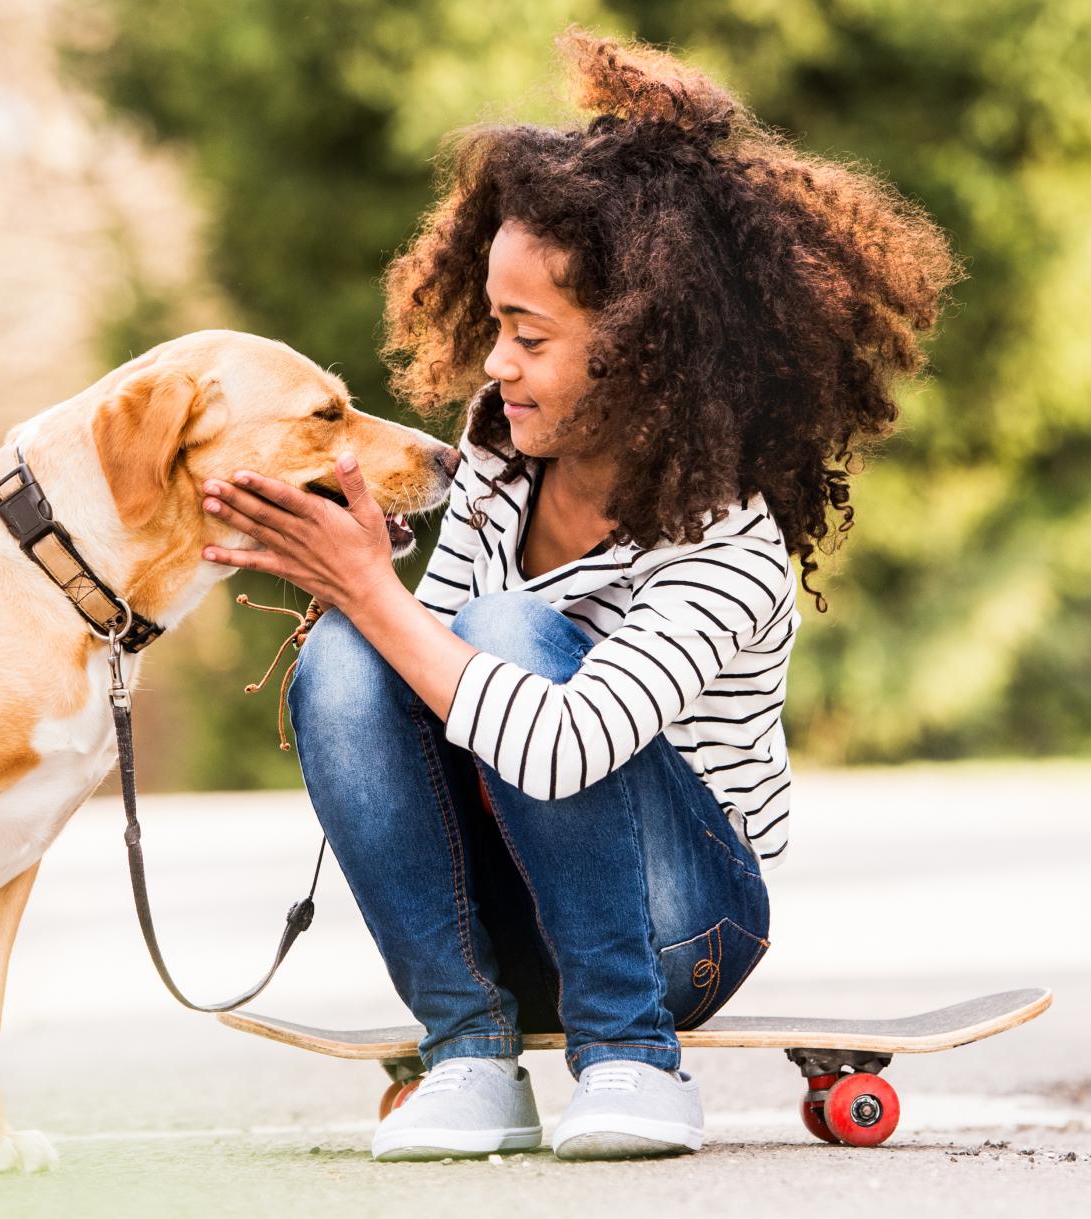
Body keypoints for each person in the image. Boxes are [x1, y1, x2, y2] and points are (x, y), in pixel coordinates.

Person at [195, 29, 955, 1162]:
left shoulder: (727, 545)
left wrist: (370, 592)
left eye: (527, 334)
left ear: (649, 349)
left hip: (680, 926)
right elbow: (424, 666)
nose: (492, 363)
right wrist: (339, 577)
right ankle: (466, 1051)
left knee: (501, 629)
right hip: (509, 907)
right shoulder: (499, 455)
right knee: (349, 658)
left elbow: (560, 745)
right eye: (492, 324)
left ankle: (631, 1057)